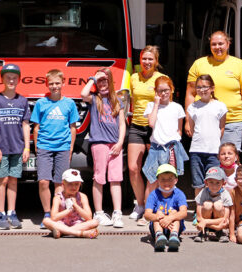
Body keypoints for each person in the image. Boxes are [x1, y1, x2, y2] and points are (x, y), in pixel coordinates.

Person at [185, 31, 242, 152]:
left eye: (221, 44)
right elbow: (190, 94)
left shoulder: (239, 65)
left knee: (229, 161)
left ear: (228, 44)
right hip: (203, 122)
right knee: (207, 161)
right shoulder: (199, 64)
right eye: (214, 44)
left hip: (231, 123)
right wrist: (188, 121)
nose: (217, 47)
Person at [31, 69, 79, 228]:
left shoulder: (69, 103)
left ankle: (56, 214)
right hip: (44, 146)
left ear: (63, 83)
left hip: (63, 147)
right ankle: (46, 212)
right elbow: (36, 127)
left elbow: (73, 127)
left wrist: (71, 147)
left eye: (57, 83)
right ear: (47, 84)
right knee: (44, 181)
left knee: (59, 183)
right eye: (51, 83)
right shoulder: (41, 103)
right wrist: (37, 145)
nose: (54, 86)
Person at [80, 68, 126, 228]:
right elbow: (83, 93)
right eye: (100, 81)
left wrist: (120, 143)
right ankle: (98, 212)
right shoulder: (94, 98)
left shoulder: (117, 100)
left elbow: (122, 124)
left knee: (116, 179)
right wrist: (93, 78)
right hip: (99, 143)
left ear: (110, 82)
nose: (103, 84)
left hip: (115, 144)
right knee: (99, 178)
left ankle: (117, 212)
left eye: (105, 80)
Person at [0, 64, 31, 230]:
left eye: (14, 77)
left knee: (13, 180)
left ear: (18, 80)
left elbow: (25, 124)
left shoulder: (22, 101)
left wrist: (26, 148)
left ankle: (12, 212)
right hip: (2, 148)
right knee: (2, 179)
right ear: (2, 79)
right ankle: (0, 213)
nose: (11, 80)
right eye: (8, 77)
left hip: (17, 148)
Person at [128, 45, 166, 222]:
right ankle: (140, 205)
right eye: (144, 58)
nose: (147, 62)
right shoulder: (133, 77)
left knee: (152, 170)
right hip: (136, 126)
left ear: (156, 61)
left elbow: (168, 104)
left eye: (150, 59)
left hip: (155, 128)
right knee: (133, 168)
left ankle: (149, 205)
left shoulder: (161, 79)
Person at [141, 76, 189, 192]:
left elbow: (179, 129)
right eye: (160, 91)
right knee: (152, 180)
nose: (163, 93)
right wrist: (156, 104)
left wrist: (176, 141)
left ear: (171, 89)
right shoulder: (151, 106)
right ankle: (149, 209)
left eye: (166, 90)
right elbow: (151, 123)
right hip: (156, 148)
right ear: (156, 92)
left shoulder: (177, 107)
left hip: (171, 147)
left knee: (170, 180)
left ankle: (169, 207)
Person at [186, 74, 227, 197]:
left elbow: (222, 127)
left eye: (205, 87)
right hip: (196, 150)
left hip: (213, 151)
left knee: (214, 182)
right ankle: (199, 209)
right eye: (198, 87)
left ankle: (213, 208)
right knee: (198, 183)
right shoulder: (193, 107)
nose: (202, 90)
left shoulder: (220, 106)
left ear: (212, 88)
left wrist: (214, 142)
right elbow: (192, 129)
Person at [42, 168, 99, 239]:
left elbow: (89, 217)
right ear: (63, 184)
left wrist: (76, 205)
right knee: (46, 220)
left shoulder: (82, 196)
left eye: (77, 184)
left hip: (77, 224)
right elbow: (54, 218)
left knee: (95, 222)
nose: (74, 187)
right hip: (61, 223)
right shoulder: (58, 198)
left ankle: (63, 232)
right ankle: (80, 233)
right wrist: (68, 210)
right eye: (70, 184)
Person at [144, 164, 188, 252]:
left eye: (170, 179)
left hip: (174, 226)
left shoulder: (179, 194)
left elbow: (184, 212)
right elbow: (147, 214)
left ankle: (174, 236)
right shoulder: (153, 194)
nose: (166, 182)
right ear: (157, 181)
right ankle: (159, 236)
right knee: (158, 213)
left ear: (176, 180)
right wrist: (158, 217)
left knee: (175, 212)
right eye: (163, 179)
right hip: (158, 225)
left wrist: (170, 218)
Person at [194, 166, 233, 243]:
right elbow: (199, 217)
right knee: (207, 204)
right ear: (206, 182)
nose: (214, 186)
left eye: (217, 183)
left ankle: (219, 232)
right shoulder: (203, 192)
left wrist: (206, 223)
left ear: (223, 183)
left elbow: (225, 219)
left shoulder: (225, 194)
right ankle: (203, 231)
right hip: (207, 220)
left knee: (218, 205)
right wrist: (203, 222)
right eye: (211, 182)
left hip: (219, 222)